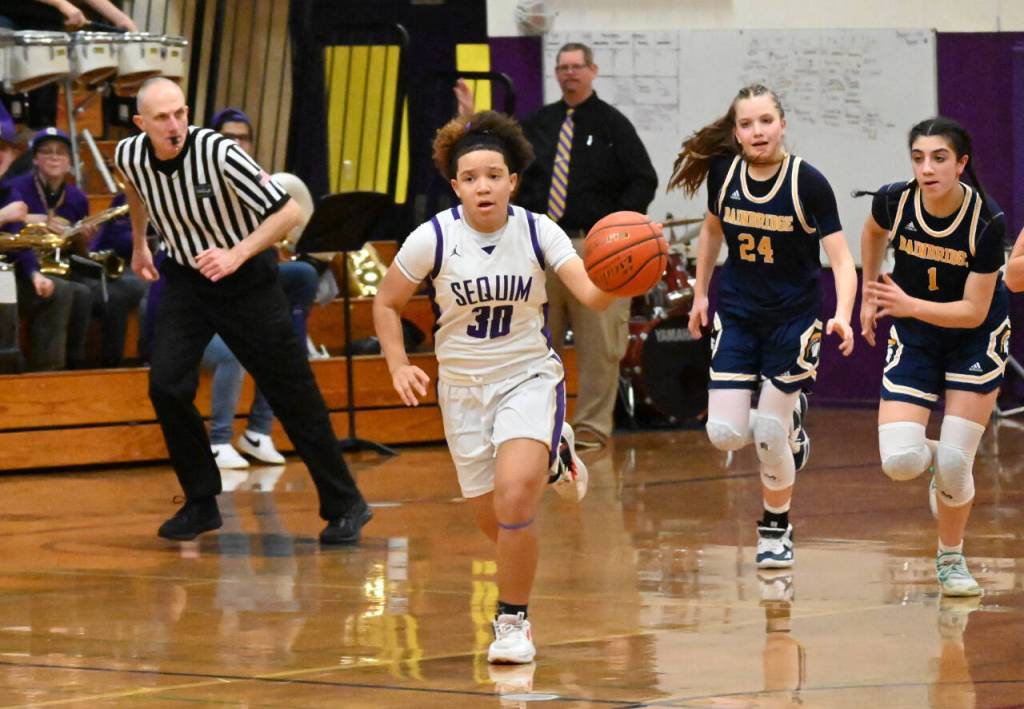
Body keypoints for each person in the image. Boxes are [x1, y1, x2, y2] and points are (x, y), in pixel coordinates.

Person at [374, 110, 615, 664]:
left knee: (513, 501)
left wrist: (619, 278)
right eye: (471, 177)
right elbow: (385, 304)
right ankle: (557, 459)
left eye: (494, 174)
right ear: (455, 184)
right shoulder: (433, 238)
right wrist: (395, 364)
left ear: (512, 180)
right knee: (499, 524)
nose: (483, 185)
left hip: (527, 377)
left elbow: (590, 294)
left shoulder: (537, 230)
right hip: (461, 390)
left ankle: (513, 622)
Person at [114, 77, 370, 544]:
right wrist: (139, 244)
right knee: (167, 386)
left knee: (292, 392)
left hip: (247, 278)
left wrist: (236, 253)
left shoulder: (218, 152)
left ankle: (346, 503)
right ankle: (200, 502)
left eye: (180, 113)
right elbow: (136, 187)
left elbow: (289, 212)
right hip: (187, 278)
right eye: (162, 118)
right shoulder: (129, 154)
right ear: (140, 124)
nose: (174, 126)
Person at [669, 84, 856, 569]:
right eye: (747, 124)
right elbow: (712, 231)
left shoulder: (807, 182)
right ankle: (786, 424)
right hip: (738, 316)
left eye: (766, 121)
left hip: (793, 322)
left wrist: (842, 313)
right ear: (736, 132)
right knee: (725, 434)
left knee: (769, 433)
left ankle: (776, 526)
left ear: (783, 123)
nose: (757, 132)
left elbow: (841, 260)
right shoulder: (724, 174)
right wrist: (700, 292)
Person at [458, 41, 658, 450]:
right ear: (556, 73)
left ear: (592, 71)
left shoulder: (612, 125)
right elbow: (500, 160)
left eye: (576, 67)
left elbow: (644, 178)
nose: (569, 73)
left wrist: (617, 233)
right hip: (541, 247)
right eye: (563, 67)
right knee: (534, 342)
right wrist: (471, 125)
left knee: (600, 346)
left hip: (594, 250)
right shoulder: (539, 124)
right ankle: (537, 428)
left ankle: (590, 430)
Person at [859, 117, 1009, 597]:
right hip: (918, 333)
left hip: (974, 336)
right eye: (919, 158)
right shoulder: (894, 199)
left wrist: (906, 304)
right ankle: (941, 467)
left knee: (956, 463)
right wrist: (869, 291)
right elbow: (873, 231)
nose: (927, 168)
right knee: (900, 460)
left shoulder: (987, 220)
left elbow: (973, 311)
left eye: (939, 158)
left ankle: (950, 557)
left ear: (961, 164)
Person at [199, 107, 322, 468]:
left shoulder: (263, 188)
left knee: (302, 280)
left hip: (245, 296)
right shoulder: (202, 188)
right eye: (229, 137)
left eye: (243, 138)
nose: (237, 143)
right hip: (205, 305)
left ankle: (258, 432)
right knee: (235, 350)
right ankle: (219, 439)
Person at [14, 127, 147, 368]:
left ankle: (90, 363)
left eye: (61, 153)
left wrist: (83, 238)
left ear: (69, 162)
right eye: (47, 151)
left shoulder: (76, 197)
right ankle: (66, 364)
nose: (54, 157)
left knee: (106, 293)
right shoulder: (17, 188)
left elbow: (79, 254)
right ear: (35, 159)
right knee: (78, 292)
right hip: (26, 264)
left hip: (63, 264)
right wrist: (37, 220)